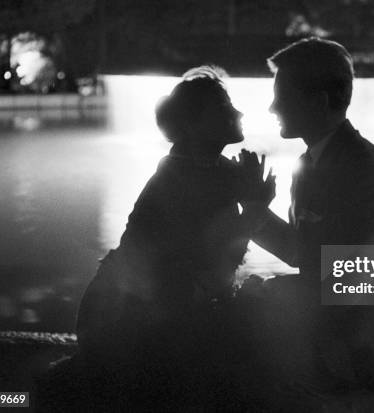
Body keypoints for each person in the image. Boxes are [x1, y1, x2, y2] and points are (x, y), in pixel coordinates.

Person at [37, 66, 274, 411]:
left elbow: (235, 255)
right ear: (193, 126)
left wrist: (255, 205)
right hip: (123, 321)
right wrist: (255, 208)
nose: (237, 113)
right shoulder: (177, 180)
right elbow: (209, 259)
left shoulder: (217, 170)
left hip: (159, 310)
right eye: (223, 108)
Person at [236, 37, 374, 408]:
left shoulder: (365, 173)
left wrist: (271, 292)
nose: (273, 107)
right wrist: (256, 209)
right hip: (347, 321)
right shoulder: (310, 165)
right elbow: (302, 254)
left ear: (318, 102)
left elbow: (346, 283)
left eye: (283, 96)